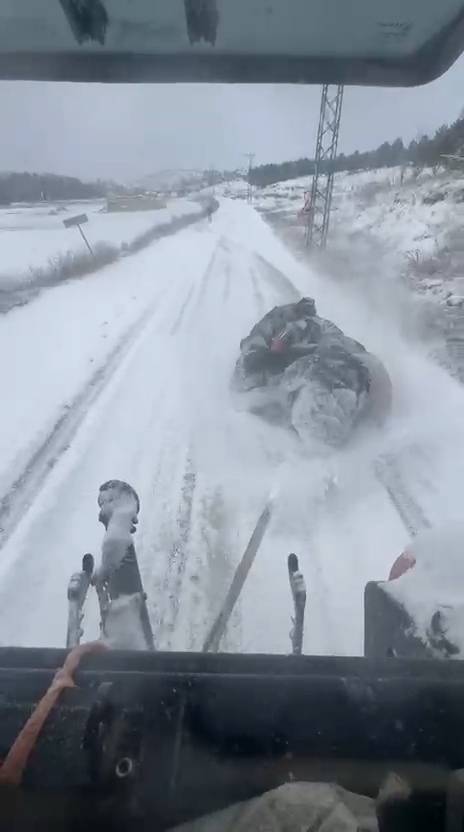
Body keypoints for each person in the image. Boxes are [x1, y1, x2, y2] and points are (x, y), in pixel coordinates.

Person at [233, 297, 392, 447]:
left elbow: (331, 341)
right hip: (359, 378)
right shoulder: (265, 352)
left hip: (349, 376)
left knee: (313, 378)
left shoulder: (307, 329)